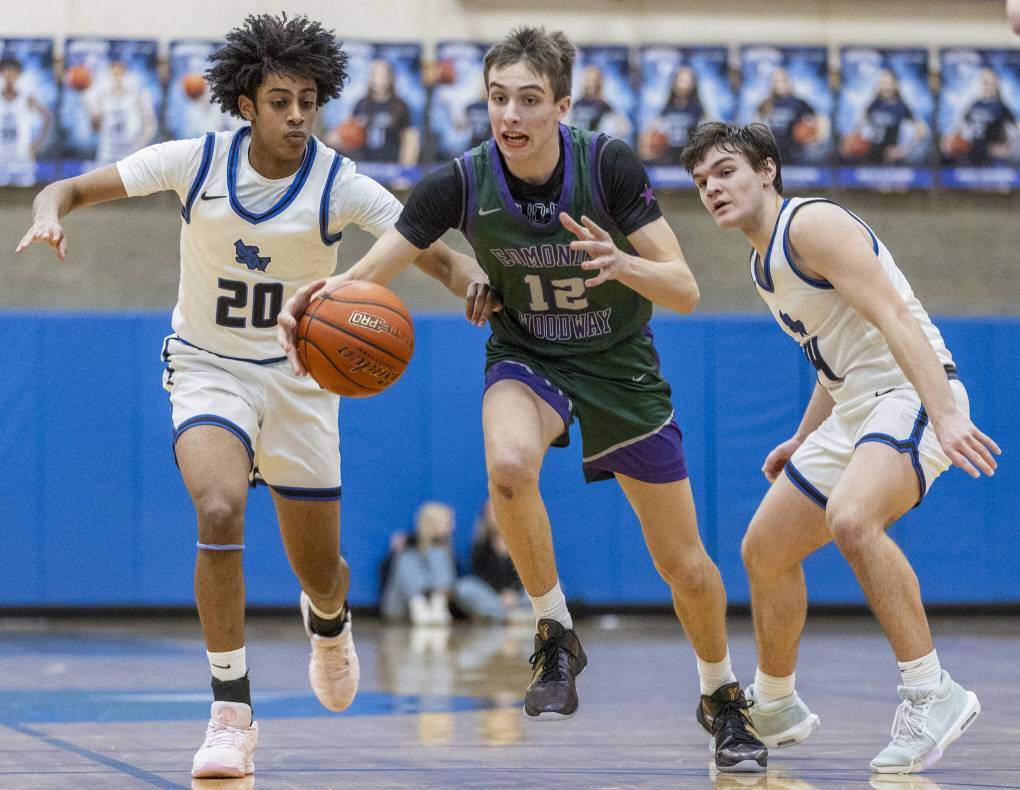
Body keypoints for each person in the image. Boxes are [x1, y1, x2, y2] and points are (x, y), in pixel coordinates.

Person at [15, 13, 492, 780]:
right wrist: (46, 212)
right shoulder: (194, 162)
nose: (297, 114)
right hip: (208, 366)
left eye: (308, 99)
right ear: (246, 104)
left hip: (302, 385)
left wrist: (466, 273)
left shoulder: (337, 181)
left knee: (320, 574)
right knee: (218, 508)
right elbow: (69, 185)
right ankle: (231, 713)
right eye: (280, 100)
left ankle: (328, 624)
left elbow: (420, 242)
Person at [281, 26, 767, 773]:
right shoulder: (463, 180)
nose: (510, 114)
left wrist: (622, 263)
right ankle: (553, 632)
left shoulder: (605, 164)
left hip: (618, 364)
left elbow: (687, 289)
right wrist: (315, 304)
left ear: (561, 107)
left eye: (529, 100)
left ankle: (721, 695)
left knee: (686, 565)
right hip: (528, 354)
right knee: (508, 466)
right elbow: (377, 268)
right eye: (498, 98)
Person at [682, 122, 1000, 774]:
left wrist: (943, 411)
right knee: (764, 549)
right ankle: (776, 702)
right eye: (701, 180)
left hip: (910, 391)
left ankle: (931, 691)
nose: (712, 187)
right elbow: (834, 358)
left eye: (724, 171)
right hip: (854, 407)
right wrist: (804, 437)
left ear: (767, 169)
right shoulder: (760, 258)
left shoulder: (811, 225)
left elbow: (893, 316)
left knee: (852, 519)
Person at [380, 501, 458, 626]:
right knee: (406, 557)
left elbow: (453, 582)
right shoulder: (406, 544)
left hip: (434, 605)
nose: (452, 527)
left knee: (438, 554)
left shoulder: (445, 551)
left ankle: (437, 603)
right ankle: (418, 604)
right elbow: (387, 577)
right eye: (448, 522)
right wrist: (394, 553)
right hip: (400, 604)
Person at [332, 58, 420, 167]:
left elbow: (410, 140)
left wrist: (405, 171)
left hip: (391, 166)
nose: (378, 79)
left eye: (382, 74)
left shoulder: (400, 106)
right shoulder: (361, 104)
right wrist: (336, 137)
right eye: (374, 74)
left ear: (390, 77)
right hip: (364, 165)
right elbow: (344, 131)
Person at [844, 68, 927, 165]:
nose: (886, 86)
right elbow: (858, 127)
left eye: (889, 83)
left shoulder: (901, 106)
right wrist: (853, 142)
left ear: (895, 85)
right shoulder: (873, 104)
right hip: (870, 158)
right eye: (883, 82)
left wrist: (903, 151)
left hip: (889, 160)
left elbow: (921, 130)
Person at [85, 59, 158, 167]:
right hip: (107, 154)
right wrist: (94, 117)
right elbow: (95, 129)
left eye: (121, 74)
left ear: (128, 76)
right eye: (113, 74)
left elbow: (151, 125)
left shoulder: (139, 96)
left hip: (131, 153)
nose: (117, 78)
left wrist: (141, 144)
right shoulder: (101, 97)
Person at [941, 67, 1018, 166]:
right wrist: (948, 140)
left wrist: (1007, 148)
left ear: (996, 85)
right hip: (972, 154)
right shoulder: (974, 104)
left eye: (989, 83)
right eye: (984, 83)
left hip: (992, 159)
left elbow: (1018, 129)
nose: (986, 86)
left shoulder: (1001, 106)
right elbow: (960, 125)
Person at [754, 67, 826, 165]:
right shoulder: (766, 103)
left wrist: (817, 137)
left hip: (794, 151)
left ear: (788, 82)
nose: (780, 84)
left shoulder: (798, 102)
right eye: (777, 81)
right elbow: (756, 123)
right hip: (773, 150)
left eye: (782, 80)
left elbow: (820, 118)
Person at [0, 55, 52, 186]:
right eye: (5, 71)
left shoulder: (26, 96)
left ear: (19, 74)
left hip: (21, 157)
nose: (9, 75)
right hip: (1, 157)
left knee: (25, 199)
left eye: (13, 71)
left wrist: (38, 144)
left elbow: (47, 117)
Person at [640, 65, 705, 166]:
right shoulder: (665, 108)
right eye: (681, 80)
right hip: (667, 154)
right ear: (674, 82)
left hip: (690, 155)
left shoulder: (698, 108)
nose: (684, 85)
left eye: (688, 81)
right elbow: (652, 129)